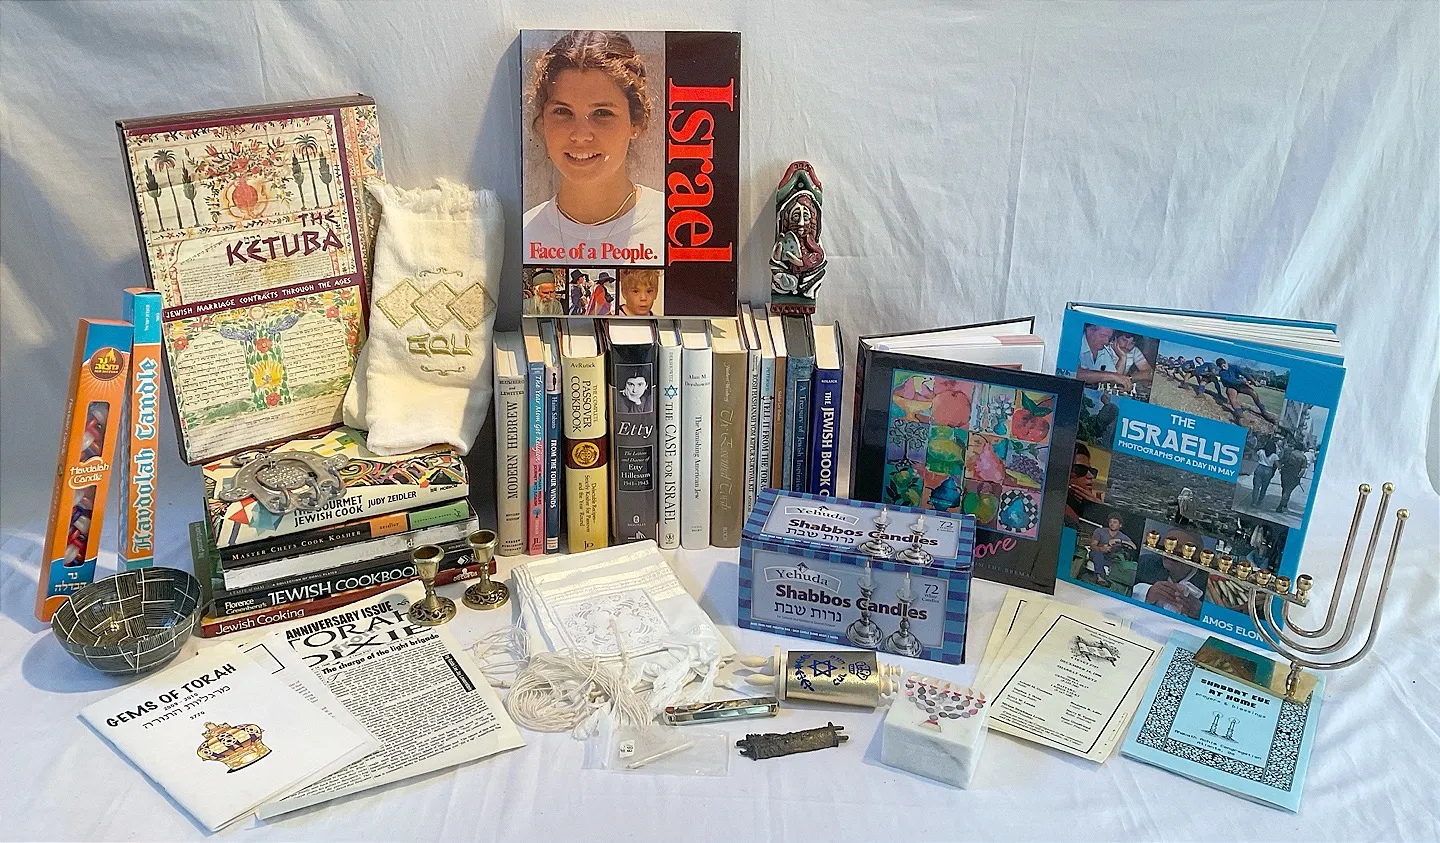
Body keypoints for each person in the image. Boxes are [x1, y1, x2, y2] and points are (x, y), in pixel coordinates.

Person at [522, 30, 664, 266]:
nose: (580, 135)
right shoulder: (526, 233)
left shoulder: (673, 228)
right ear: (542, 122)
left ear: (636, 123)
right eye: (563, 112)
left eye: (602, 113)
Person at [1133, 530, 1208, 619]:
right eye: (1168, 544)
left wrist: (1200, 613)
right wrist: (1146, 593)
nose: (1170, 551)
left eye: (1180, 548)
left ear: (1196, 556)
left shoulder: (1210, 585)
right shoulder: (1145, 563)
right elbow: (1121, 591)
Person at [1073, 324, 1135, 390]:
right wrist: (1112, 376)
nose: (1106, 341)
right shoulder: (1074, 343)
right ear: (1089, 331)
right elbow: (1074, 374)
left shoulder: (1103, 351)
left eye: (1109, 337)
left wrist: (1122, 357)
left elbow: (1114, 381)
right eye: (1103, 336)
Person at [1215, 358, 1276, 423]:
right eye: (1221, 367)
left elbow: (1244, 373)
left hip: (1240, 385)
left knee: (1253, 393)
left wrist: (1253, 381)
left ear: (1226, 363)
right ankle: (1240, 416)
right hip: (1231, 386)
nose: (1224, 368)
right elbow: (1231, 381)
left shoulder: (1234, 367)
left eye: (1224, 366)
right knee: (1232, 399)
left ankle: (1264, 411)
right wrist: (1243, 382)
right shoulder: (1221, 373)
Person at [1065, 443, 1104, 527]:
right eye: (1081, 469)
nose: (1090, 476)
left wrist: (1099, 511)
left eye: (1092, 470)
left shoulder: (1083, 508)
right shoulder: (1064, 511)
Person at [1089, 514, 1136, 583]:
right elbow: (1092, 546)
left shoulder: (1122, 536)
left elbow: (1134, 547)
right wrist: (1101, 548)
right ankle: (1100, 577)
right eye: (1110, 521)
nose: (1112, 524)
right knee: (1098, 554)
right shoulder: (1100, 531)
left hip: (1110, 558)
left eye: (1115, 522)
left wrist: (1119, 541)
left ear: (1120, 525)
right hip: (1096, 554)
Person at [1249, 441, 1278, 507]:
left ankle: (1253, 502)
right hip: (1268, 470)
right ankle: (1259, 502)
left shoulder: (1261, 451)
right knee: (1264, 488)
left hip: (1260, 468)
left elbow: (1254, 456)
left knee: (1256, 487)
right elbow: (1278, 465)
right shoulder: (1274, 455)